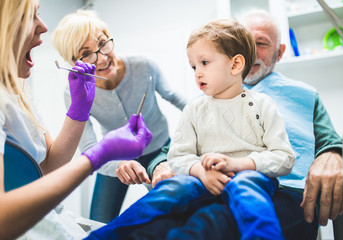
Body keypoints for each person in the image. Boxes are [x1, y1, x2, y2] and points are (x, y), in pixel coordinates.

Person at [133, 9, 343, 239]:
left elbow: (331, 142)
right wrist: (161, 166)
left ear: (279, 52)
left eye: (260, 43)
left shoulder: (303, 95)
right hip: (214, 187)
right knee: (195, 221)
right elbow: (170, 153)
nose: (248, 51)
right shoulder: (203, 101)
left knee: (221, 223)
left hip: (285, 189)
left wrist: (332, 154)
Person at [86, 19, 297, 240]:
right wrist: (200, 171)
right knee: (170, 190)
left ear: (235, 65)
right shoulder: (194, 109)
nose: (197, 73)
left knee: (245, 187)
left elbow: (284, 158)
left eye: (204, 62)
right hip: (202, 178)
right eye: (194, 66)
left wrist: (239, 164)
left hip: (250, 175)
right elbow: (177, 156)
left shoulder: (263, 105)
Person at [0, 0, 152, 239]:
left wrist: (79, 110)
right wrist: (99, 155)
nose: (43, 26)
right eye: (30, 17)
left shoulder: (17, 92)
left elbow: (48, 168)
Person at [52, 10, 187, 223]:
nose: (103, 58)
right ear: (73, 62)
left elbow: (177, 99)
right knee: (98, 221)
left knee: (175, 213)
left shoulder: (144, 65)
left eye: (103, 43)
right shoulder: (74, 93)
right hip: (115, 158)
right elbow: (88, 148)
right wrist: (116, 165)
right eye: (86, 53)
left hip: (160, 149)